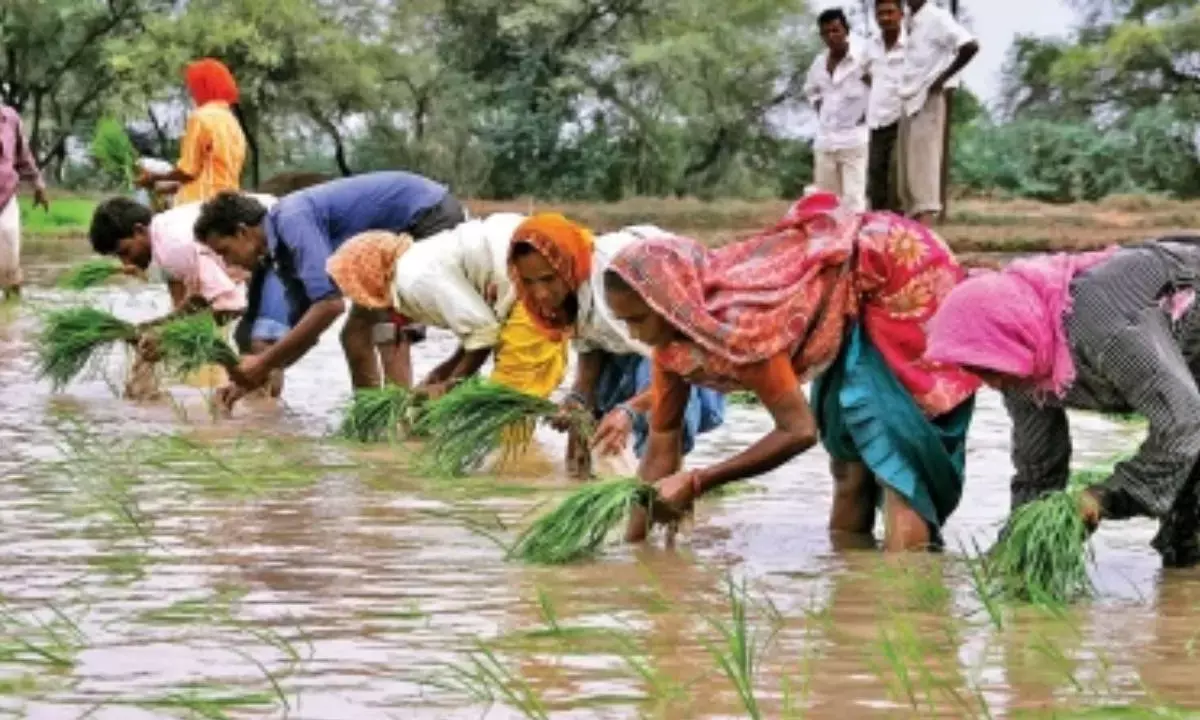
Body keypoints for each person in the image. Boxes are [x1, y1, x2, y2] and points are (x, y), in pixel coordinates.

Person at [605, 192, 980, 551]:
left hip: (900, 270)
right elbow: (662, 443)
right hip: (848, 284)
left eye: (638, 319)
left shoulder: (739, 328)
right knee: (848, 463)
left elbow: (799, 431)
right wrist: (634, 546)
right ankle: (851, 581)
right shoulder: (672, 343)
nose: (634, 335)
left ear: (669, 300)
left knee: (896, 464)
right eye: (624, 322)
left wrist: (700, 480)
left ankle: (906, 587)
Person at [925, 238, 1200, 568]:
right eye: (977, 371)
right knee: (1181, 549)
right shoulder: (1020, 364)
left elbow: (1184, 423)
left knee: (1188, 519)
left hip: (1180, 304)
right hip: (1180, 370)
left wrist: (1104, 498)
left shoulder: (1106, 333)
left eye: (989, 370)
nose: (992, 384)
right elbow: (1038, 467)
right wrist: (1018, 548)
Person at [192, 171, 467, 408]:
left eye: (225, 251)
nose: (227, 263)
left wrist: (263, 364)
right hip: (387, 243)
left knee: (387, 326)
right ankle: (369, 417)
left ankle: (402, 420)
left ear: (242, 232)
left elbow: (330, 305)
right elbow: (307, 328)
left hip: (426, 216)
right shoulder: (282, 256)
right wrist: (252, 380)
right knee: (354, 335)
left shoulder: (291, 219)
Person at [506, 213, 725, 475]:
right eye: (529, 281)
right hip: (633, 343)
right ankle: (584, 480)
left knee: (661, 414)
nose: (540, 293)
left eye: (548, 279)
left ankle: (667, 485)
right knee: (587, 418)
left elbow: (675, 369)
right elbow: (589, 348)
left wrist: (629, 411)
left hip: (677, 336)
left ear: (565, 263)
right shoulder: (571, 292)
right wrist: (578, 398)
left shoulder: (618, 284)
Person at [324, 215, 567, 400]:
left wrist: (448, 386)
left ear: (367, 278)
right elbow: (480, 325)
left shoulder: (412, 281)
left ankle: (514, 453)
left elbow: (484, 332)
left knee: (508, 400)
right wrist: (442, 372)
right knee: (533, 386)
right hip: (547, 257)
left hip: (529, 277)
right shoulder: (419, 258)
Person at [87, 195, 290, 398]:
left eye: (125, 251)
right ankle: (260, 408)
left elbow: (231, 306)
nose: (126, 263)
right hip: (269, 244)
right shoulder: (163, 239)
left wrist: (167, 338)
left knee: (261, 340)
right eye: (118, 257)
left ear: (139, 230)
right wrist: (153, 327)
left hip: (281, 238)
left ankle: (264, 409)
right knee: (250, 340)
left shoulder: (173, 247)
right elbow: (194, 304)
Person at [897, 0, 978, 225]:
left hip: (927, 100)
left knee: (924, 178)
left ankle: (925, 239)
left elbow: (969, 46)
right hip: (909, 101)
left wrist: (942, 78)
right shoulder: (909, 20)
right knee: (908, 181)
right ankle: (913, 239)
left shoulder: (937, 18)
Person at [138, 58, 247, 206]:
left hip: (200, 204)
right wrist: (164, 186)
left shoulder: (201, 118)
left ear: (203, 86)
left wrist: (153, 178)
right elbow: (213, 175)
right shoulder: (232, 121)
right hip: (229, 202)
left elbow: (188, 171)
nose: (191, 92)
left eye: (193, 86)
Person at [803, 8, 870, 213]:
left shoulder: (862, 60)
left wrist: (868, 113)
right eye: (826, 32)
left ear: (846, 30)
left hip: (854, 140)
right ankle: (832, 235)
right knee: (826, 202)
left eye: (835, 30)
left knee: (853, 199)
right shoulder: (819, 63)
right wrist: (821, 109)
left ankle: (854, 233)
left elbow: (880, 87)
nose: (831, 36)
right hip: (826, 141)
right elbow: (811, 90)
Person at [0, 103, 50, 301]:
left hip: (5, 199)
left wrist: (38, 183)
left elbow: (23, 156)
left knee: (10, 267)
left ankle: (12, 314)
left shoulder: (10, 118)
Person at [865, 0, 906, 213]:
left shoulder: (911, 44)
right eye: (880, 14)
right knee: (875, 176)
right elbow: (863, 73)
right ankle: (878, 225)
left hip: (903, 119)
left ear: (901, 14)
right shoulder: (871, 45)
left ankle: (899, 225)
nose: (885, 18)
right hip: (877, 120)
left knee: (898, 178)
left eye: (890, 12)